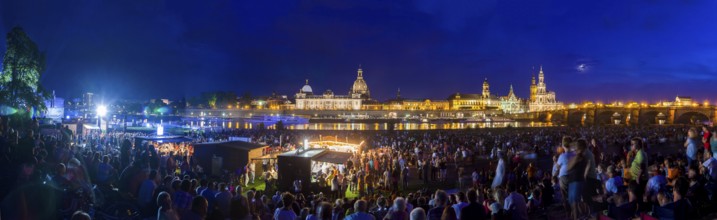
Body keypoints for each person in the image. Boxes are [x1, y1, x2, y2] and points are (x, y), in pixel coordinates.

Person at [567, 140, 589, 220]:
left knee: (574, 203)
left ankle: (577, 218)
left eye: (576, 145)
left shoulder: (578, 157)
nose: (574, 147)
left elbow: (568, 167)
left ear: (579, 147)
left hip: (575, 181)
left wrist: (571, 158)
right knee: (575, 203)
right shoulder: (583, 157)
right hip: (576, 181)